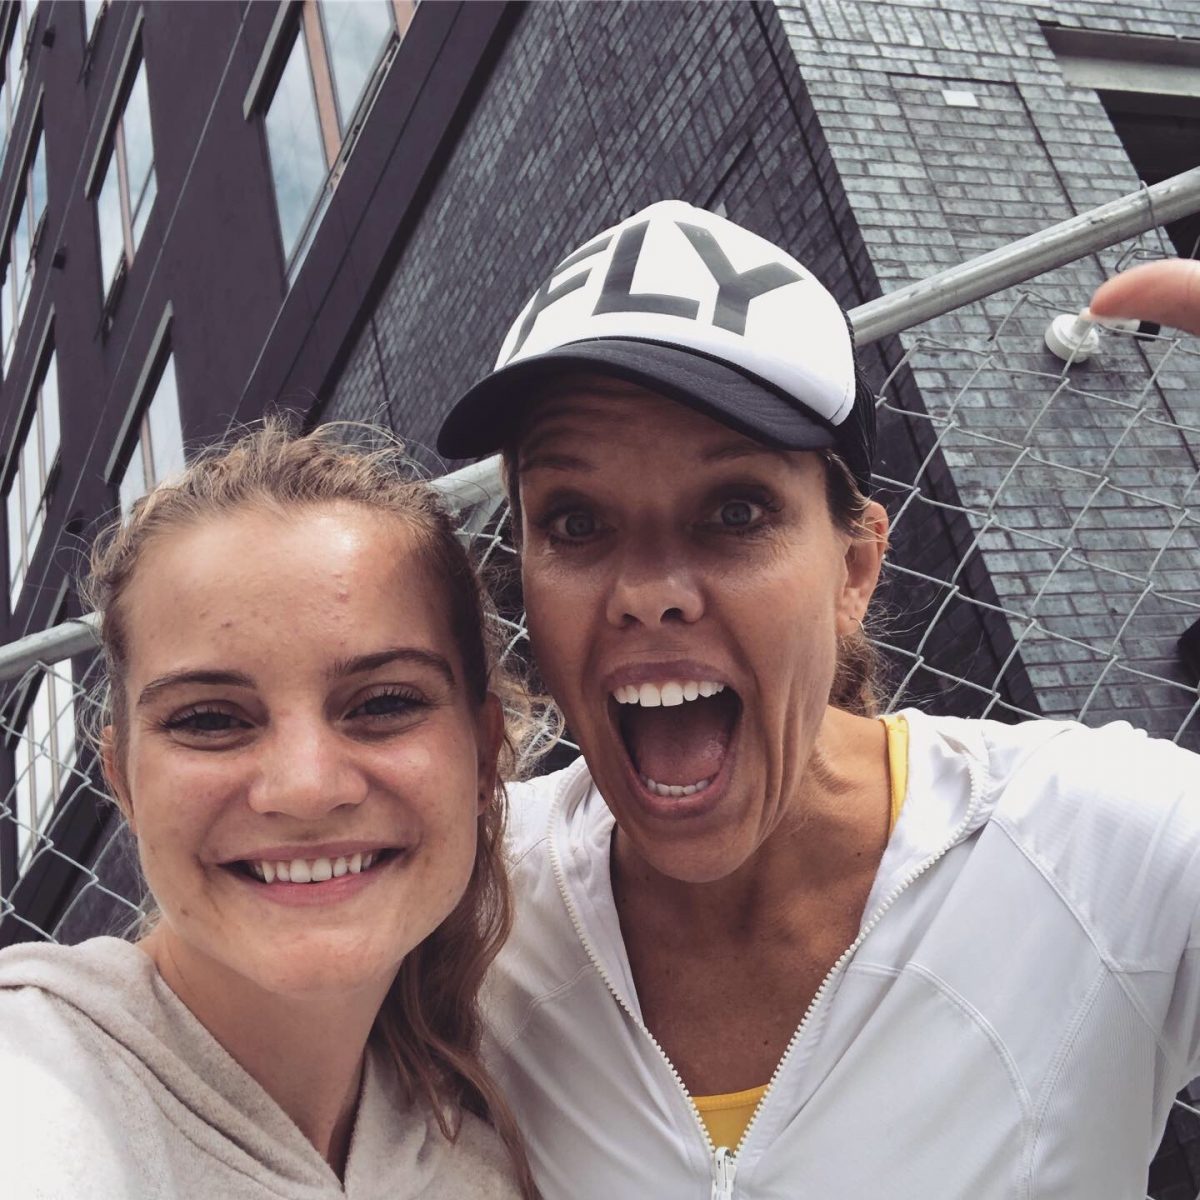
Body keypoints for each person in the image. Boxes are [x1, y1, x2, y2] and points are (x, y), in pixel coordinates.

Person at [436, 203, 1200, 1199]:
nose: (648, 589)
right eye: (576, 521)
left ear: (856, 566)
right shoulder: (465, 910)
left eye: (736, 511)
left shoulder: (1102, 847)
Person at [0, 425, 535, 1199]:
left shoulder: (482, 1157)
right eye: (210, 720)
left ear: (485, 756)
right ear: (123, 782)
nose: (305, 787)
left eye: (383, 703)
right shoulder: (35, 1085)